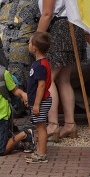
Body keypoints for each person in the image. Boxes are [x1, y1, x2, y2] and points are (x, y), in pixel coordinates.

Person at [32, 0, 86, 141]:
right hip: (74, 28)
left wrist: (36, 38)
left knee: (48, 79)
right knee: (64, 80)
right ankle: (70, 124)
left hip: (60, 29)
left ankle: (53, 124)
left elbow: (47, 14)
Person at [0, 0, 41, 88]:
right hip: (23, 47)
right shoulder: (38, 2)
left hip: (2, 46)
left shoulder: (5, 1)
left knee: (4, 82)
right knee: (22, 84)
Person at [25, 32, 53, 163]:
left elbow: (41, 86)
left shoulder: (40, 65)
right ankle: (39, 151)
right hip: (39, 101)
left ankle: (42, 154)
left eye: (29, 42)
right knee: (38, 126)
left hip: (41, 101)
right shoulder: (40, 63)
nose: (28, 45)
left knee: (40, 126)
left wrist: (36, 104)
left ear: (34, 48)